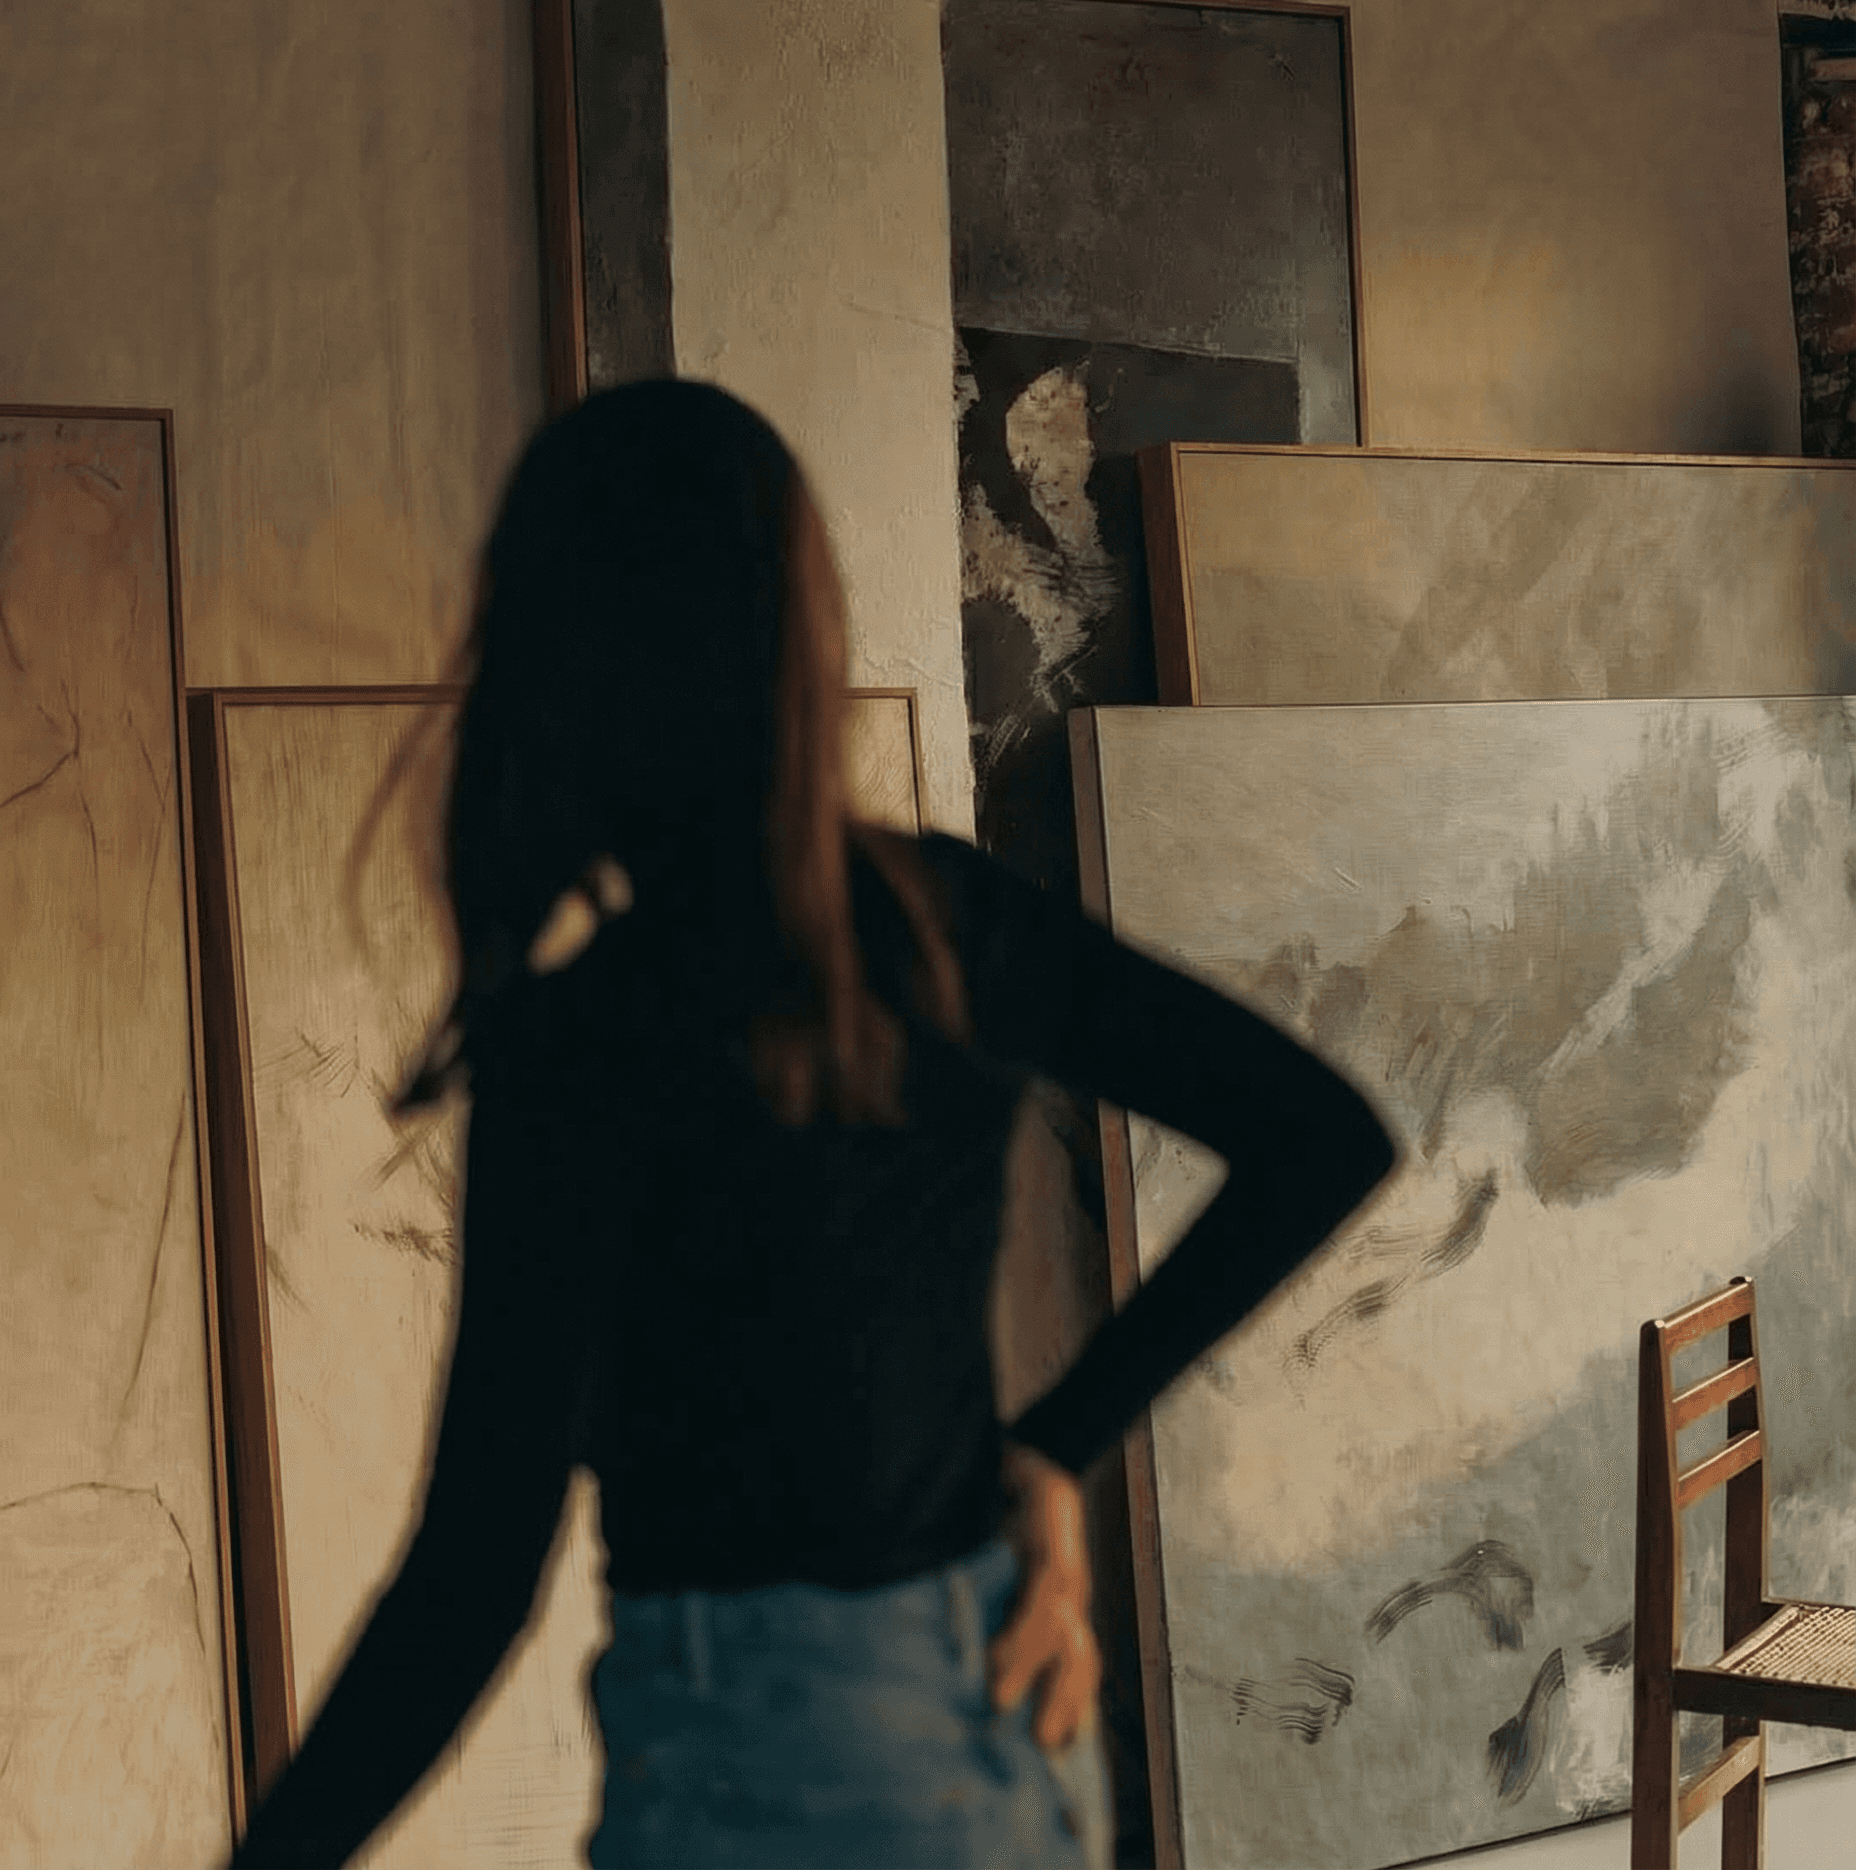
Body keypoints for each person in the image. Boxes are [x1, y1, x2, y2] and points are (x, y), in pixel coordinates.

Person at [226, 379, 1398, 1870]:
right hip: (989, 1734)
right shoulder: (940, 929)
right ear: (800, 634)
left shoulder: (588, 1039)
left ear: (557, 668)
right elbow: (1321, 1136)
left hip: (767, 1769)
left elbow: (475, 1574)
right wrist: (1050, 1448)